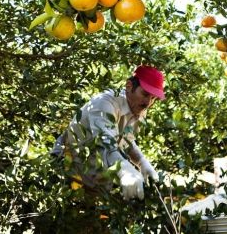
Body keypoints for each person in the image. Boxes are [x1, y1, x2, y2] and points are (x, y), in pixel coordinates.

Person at [51, 65, 165, 200]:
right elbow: (105, 141)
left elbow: (126, 141)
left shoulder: (138, 109)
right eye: (145, 94)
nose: (148, 103)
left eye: (153, 98)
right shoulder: (104, 103)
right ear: (129, 86)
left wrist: (141, 161)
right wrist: (125, 170)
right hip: (68, 172)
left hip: (95, 181)